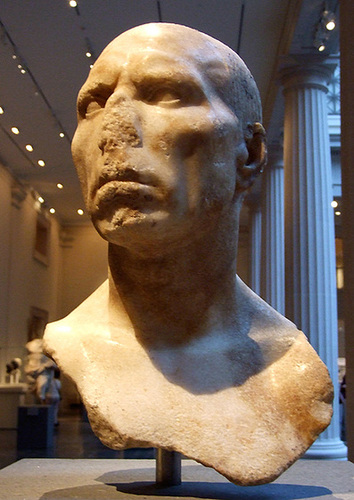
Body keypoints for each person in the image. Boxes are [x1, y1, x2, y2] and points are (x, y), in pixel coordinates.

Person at [44, 23, 333, 486]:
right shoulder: (72, 342)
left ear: (252, 153)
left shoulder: (288, 374)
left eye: (167, 94)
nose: (114, 130)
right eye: (93, 105)